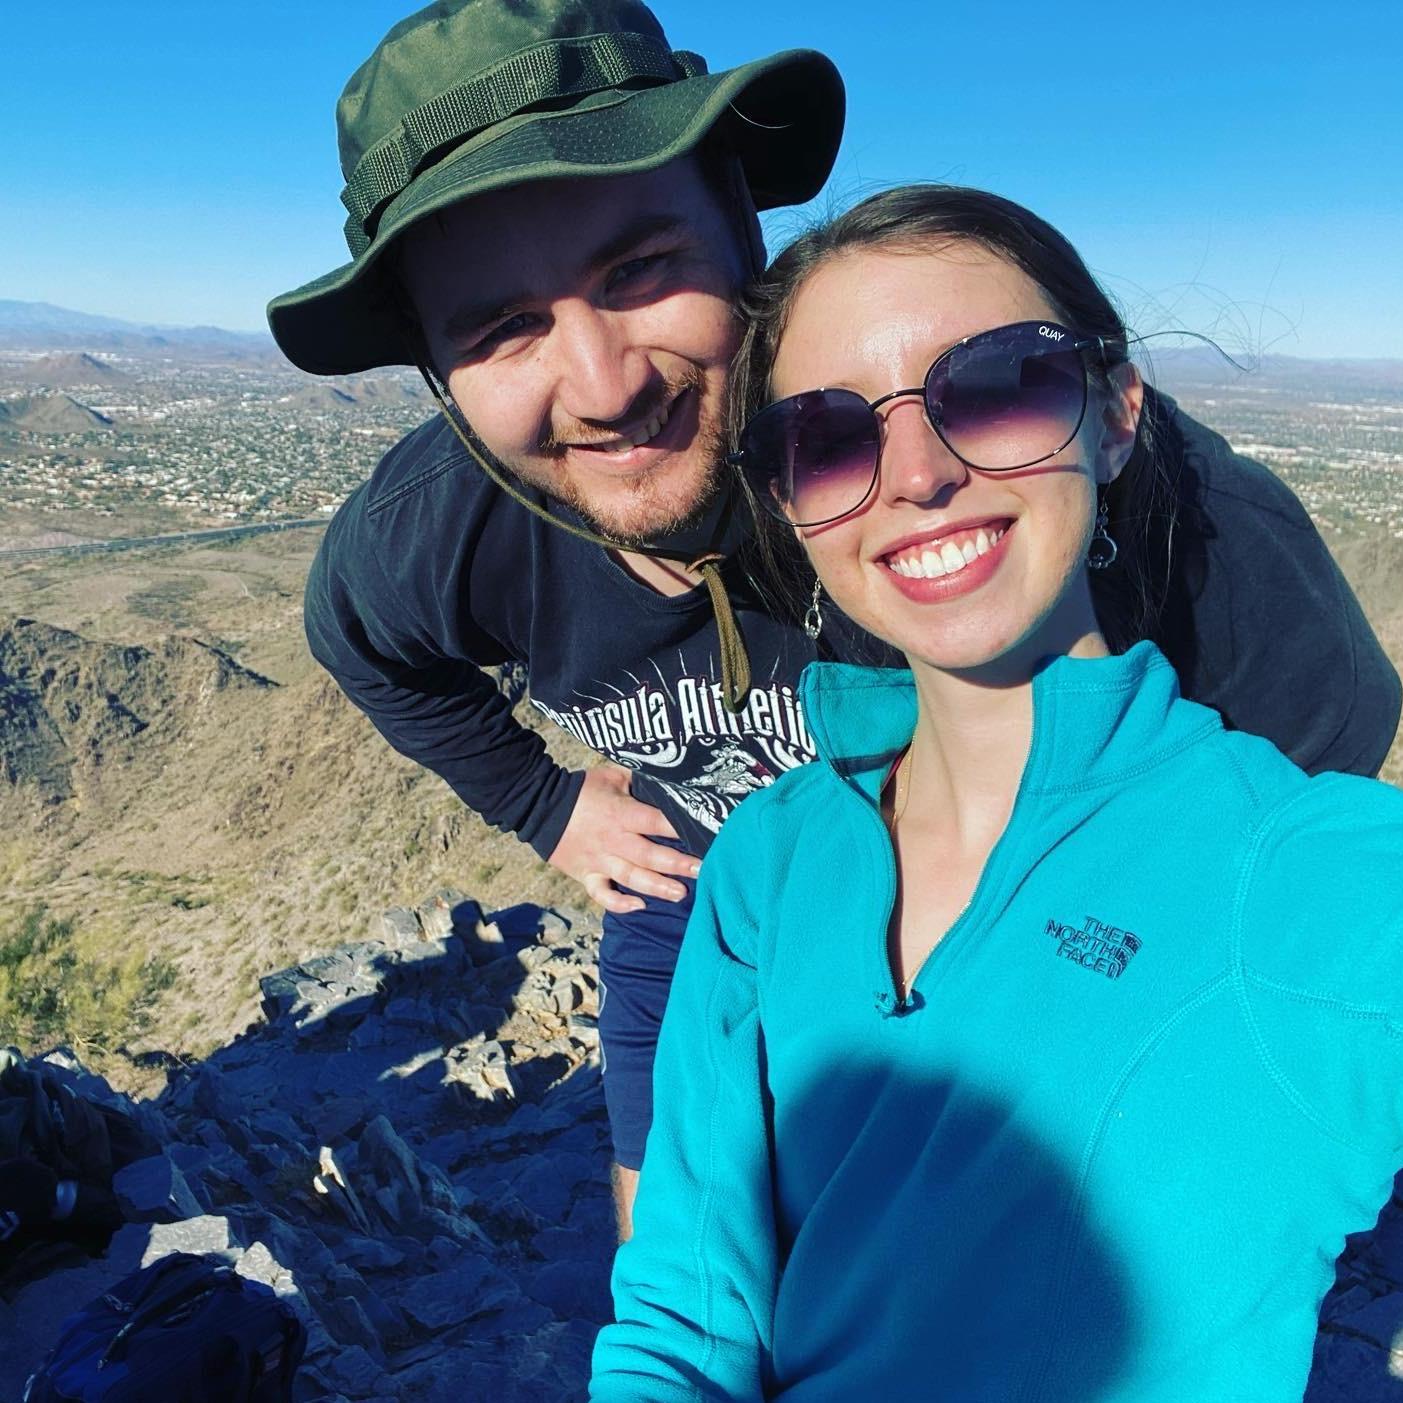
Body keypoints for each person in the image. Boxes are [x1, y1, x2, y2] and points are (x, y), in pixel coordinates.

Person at [266, 0, 1400, 1236]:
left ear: (743, 236)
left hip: (1002, 906)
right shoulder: (437, 534)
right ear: (439, 376)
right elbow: (361, 645)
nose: (604, 387)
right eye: (500, 329)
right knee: (677, 1234)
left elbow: (1292, 774)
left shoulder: (1043, 480)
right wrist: (545, 802)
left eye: (640, 270)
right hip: (696, 878)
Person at [590, 184, 1403, 1402]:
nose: (915, 472)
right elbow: (684, 1312)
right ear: (787, 504)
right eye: (828, 436)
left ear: (1115, 410)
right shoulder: (767, 858)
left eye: (996, 382)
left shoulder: (1299, 868)